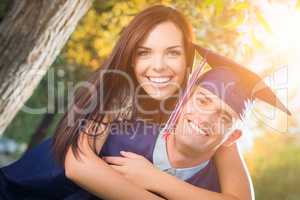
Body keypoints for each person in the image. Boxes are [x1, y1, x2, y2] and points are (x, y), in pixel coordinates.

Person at [0, 5, 261, 200]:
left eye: (172, 53)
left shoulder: (205, 109)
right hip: (30, 189)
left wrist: (155, 179)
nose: (158, 66)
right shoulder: (119, 89)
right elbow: (79, 165)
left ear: (188, 62)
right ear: (131, 58)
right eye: (144, 52)